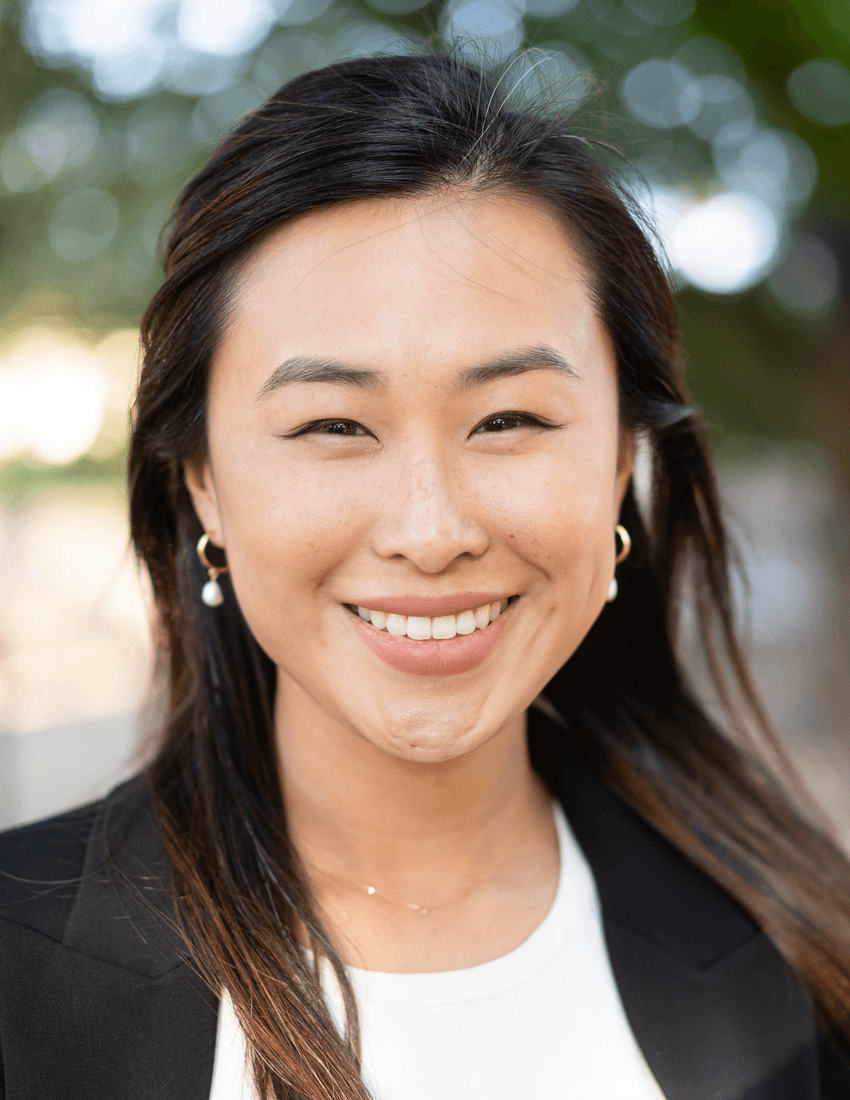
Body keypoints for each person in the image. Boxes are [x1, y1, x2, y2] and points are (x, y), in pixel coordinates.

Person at [1, 52, 849, 1100]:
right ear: (205, 484)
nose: (431, 529)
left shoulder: (798, 952)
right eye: (332, 424)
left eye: (508, 419)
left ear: (622, 459)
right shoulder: (18, 972)